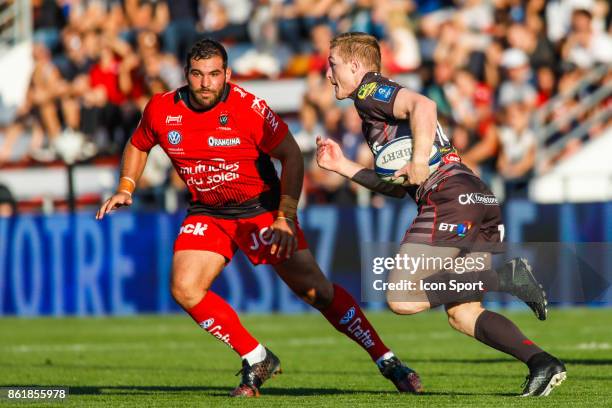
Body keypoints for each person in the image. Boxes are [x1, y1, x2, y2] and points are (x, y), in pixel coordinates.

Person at [96, 39, 422, 397]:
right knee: (184, 287)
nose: (206, 83)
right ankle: (256, 357)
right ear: (186, 75)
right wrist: (126, 186)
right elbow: (139, 142)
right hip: (209, 211)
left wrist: (285, 216)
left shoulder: (248, 108)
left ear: (227, 75)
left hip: (261, 211)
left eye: (214, 75)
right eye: (198, 74)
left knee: (317, 292)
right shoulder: (162, 108)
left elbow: (292, 156)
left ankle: (387, 360)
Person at [316, 32, 566, 397]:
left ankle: (501, 277)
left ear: (354, 66)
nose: (327, 74)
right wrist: (343, 166)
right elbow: (396, 185)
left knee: (401, 296)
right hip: (473, 195)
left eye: (332, 64)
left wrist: (418, 161)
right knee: (463, 314)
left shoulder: (371, 91)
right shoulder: (374, 110)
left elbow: (423, 106)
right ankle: (542, 363)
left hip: (448, 196)